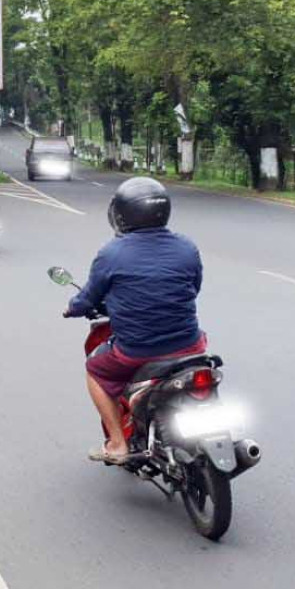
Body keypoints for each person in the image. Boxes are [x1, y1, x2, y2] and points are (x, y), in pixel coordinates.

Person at [63, 177, 205, 464]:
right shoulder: (187, 247)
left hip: (136, 351)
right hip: (191, 346)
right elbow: (195, 286)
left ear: (121, 214)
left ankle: (117, 443)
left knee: (96, 372)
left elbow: (88, 298)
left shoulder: (112, 253)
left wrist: (73, 308)